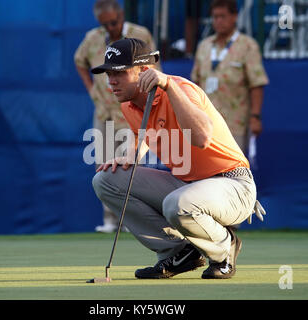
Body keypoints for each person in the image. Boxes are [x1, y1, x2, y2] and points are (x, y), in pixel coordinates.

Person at [91, 38, 264, 280]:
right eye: (108, 73)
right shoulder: (129, 106)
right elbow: (146, 134)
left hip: (233, 184)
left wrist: (169, 86)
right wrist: (130, 155)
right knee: (105, 179)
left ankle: (225, 248)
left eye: (119, 72)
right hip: (188, 185)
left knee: (178, 203)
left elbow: (202, 138)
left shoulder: (181, 89)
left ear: (144, 71)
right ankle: (180, 252)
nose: (111, 81)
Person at [74, 0, 159, 233]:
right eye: (105, 24)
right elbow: (79, 60)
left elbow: (154, 67)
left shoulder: (139, 34)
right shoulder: (93, 37)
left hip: (131, 108)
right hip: (104, 111)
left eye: (113, 22)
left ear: (121, 15)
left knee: (133, 164)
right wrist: (92, 90)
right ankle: (110, 220)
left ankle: (133, 219)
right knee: (103, 163)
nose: (110, 27)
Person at [191, 0, 269, 153]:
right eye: (215, 17)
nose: (218, 21)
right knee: (205, 171)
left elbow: (256, 84)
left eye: (223, 16)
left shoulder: (247, 45)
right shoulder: (204, 46)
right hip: (205, 123)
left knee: (232, 170)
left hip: (235, 123)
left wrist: (255, 117)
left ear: (234, 17)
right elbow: (196, 82)